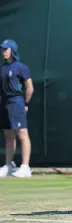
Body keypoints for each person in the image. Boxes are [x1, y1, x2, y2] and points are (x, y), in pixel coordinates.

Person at [0, 39, 34, 178]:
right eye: (2, 49)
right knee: (8, 136)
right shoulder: (2, 68)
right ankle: (8, 165)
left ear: (12, 50)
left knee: (22, 133)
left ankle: (25, 167)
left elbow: (30, 88)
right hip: (4, 103)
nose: (3, 52)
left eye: (6, 49)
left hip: (17, 102)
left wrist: (25, 103)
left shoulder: (21, 67)